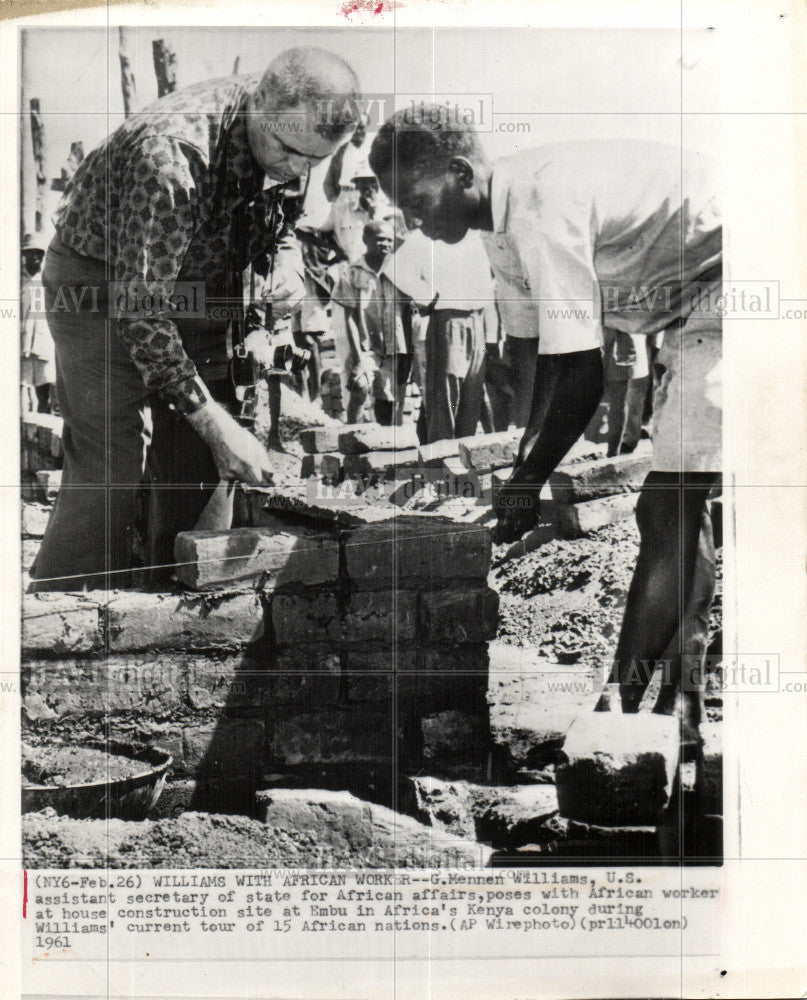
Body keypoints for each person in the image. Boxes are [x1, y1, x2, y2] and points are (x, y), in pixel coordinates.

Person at [369, 108, 721, 738]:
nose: (412, 222)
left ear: (459, 173)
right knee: (673, 503)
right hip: (681, 301)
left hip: (734, 278)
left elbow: (582, 375)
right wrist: (521, 470)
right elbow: (540, 365)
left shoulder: (536, 206)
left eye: (416, 202)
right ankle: (669, 700)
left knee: (670, 503)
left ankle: (637, 706)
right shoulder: (493, 232)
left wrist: (528, 481)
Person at [31, 47, 360, 591]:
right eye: (289, 152)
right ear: (259, 106)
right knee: (111, 465)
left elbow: (282, 228)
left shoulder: (292, 135)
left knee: (205, 465)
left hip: (196, 289)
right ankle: (67, 618)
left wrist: (286, 266)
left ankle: (182, 604)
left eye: (314, 161)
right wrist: (218, 423)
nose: (298, 171)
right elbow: (140, 312)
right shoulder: (172, 155)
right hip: (98, 287)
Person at [384, 228, 494, 442]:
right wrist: (431, 297)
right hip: (447, 319)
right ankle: (442, 468)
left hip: (477, 320)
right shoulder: (430, 230)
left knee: (471, 398)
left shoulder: (477, 234)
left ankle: (462, 468)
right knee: (445, 398)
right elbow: (395, 269)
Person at [332, 219, 412, 426]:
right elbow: (349, 317)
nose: (385, 244)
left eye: (389, 240)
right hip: (368, 345)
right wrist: (358, 355)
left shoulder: (399, 269)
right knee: (360, 386)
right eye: (380, 239)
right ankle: (351, 435)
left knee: (386, 396)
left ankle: (383, 444)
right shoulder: (352, 272)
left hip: (395, 344)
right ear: (365, 240)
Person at [20, 233, 56, 414]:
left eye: (39, 253)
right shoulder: (17, 281)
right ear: (23, 255)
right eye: (30, 253)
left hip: (43, 344)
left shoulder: (49, 279)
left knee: (45, 391)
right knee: (20, 389)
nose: (35, 257)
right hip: (21, 344)